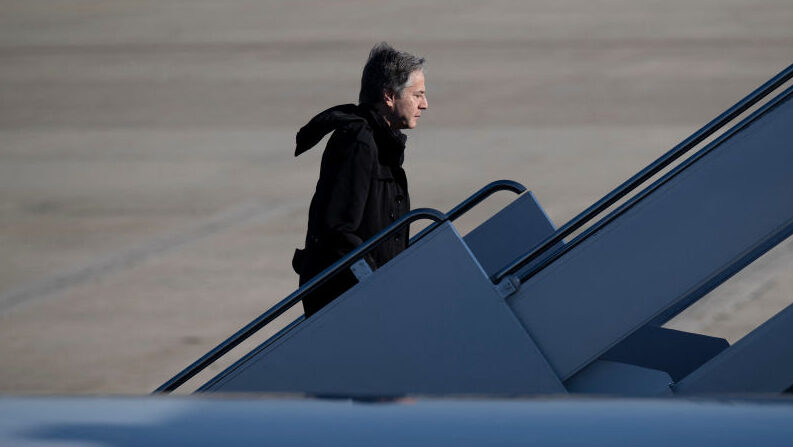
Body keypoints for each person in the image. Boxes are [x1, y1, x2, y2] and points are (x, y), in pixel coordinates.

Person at [291, 42, 428, 317]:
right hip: (349, 301)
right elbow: (338, 229)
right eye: (417, 95)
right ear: (389, 95)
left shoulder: (379, 142)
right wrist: (375, 281)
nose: (424, 104)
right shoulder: (358, 142)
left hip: (366, 296)